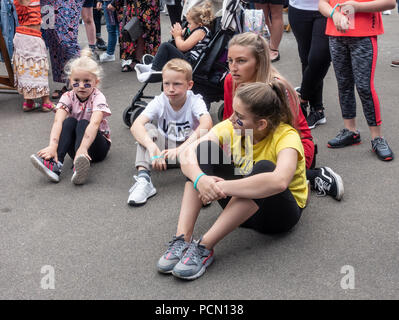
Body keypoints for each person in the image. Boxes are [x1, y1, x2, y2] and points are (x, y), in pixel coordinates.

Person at [157, 81, 307, 280]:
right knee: (204, 150)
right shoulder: (232, 126)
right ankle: (182, 239)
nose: (231, 119)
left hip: (278, 216)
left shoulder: (286, 136)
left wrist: (220, 187)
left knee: (264, 169)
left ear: (261, 124)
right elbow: (188, 154)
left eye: (240, 116)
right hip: (241, 211)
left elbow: (279, 181)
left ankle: (203, 247)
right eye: (234, 112)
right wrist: (200, 180)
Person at [223, 32, 343, 200]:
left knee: (265, 178)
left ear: (258, 62)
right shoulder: (230, 80)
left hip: (287, 145)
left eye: (241, 61)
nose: (233, 67)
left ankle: (314, 176)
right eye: (230, 60)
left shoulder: (277, 86)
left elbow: (291, 134)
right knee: (220, 160)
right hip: (252, 140)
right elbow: (230, 121)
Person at [128, 58, 212, 205]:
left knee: (207, 140)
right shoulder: (160, 101)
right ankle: (144, 180)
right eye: (166, 83)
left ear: (189, 85)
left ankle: (201, 183)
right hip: (164, 152)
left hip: (188, 151)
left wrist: (182, 148)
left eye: (177, 84)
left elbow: (207, 123)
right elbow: (136, 125)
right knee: (147, 129)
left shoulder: (195, 101)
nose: (170, 89)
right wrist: (152, 147)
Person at [319, 0, 395, 161]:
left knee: (364, 87)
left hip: (364, 34)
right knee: (344, 84)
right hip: (336, 33)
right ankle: (350, 131)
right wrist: (335, 14)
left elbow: (390, 3)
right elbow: (322, 3)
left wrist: (358, 7)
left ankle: (377, 138)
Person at [30, 48, 112, 185]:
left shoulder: (98, 97)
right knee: (69, 121)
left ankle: (79, 167)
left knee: (83, 123)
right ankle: (56, 164)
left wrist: (83, 148)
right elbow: (58, 121)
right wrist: (52, 146)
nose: (81, 86)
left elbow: (94, 124)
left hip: (96, 147)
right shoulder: (68, 96)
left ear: (95, 82)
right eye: (76, 81)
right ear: (70, 81)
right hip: (77, 148)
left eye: (87, 82)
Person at [134, 1, 213, 82]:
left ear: (199, 24)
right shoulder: (200, 30)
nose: (188, 26)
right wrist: (181, 37)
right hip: (190, 59)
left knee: (165, 46)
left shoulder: (200, 32)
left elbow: (183, 47)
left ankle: (154, 69)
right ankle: (154, 64)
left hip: (191, 63)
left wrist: (177, 36)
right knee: (170, 44)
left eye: (190, 23)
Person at [288, 0, 331, 129]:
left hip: (328, 8)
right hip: (298, 8)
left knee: (319, 58)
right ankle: (317, 109)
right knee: (306, 60)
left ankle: (302, 98)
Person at [12, 0, 54, 112]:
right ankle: (46, 102)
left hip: (22, 36)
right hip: (31, 37)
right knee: (39, 68)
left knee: (26, 70)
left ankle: (29, 102)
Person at [41, 0, 84, 100]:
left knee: (67, 41)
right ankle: (70, 85)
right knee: (54, 42)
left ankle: (82, 82)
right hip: (47, 4)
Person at [109, 0, 161, 72]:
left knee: (145, 30)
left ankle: (142, 59)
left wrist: (114, 3)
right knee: (134, 29)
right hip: (136, 5)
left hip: (147, 4)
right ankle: (137, 59)